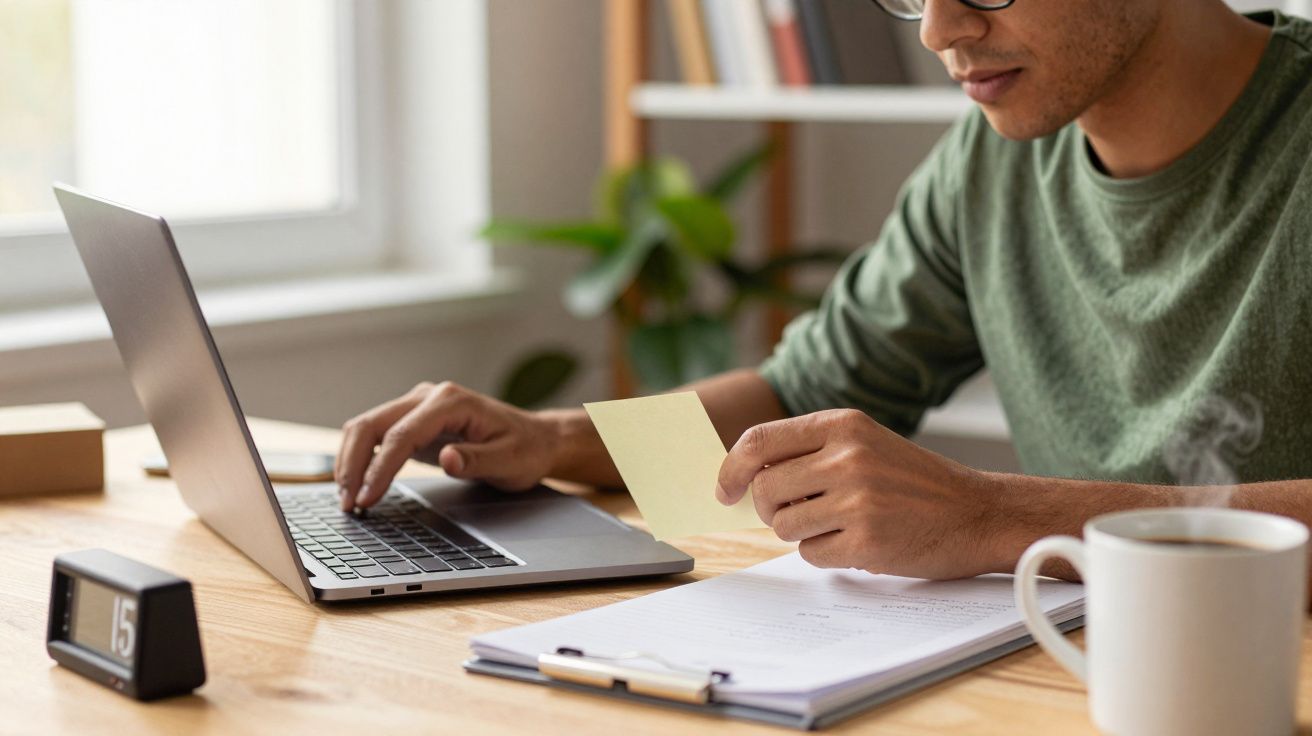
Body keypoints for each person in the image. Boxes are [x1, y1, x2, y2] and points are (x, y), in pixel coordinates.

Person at [336, 0, 1312, 584]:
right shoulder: (986, 167)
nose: (939, 31)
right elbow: (794, 394)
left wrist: (991, 516)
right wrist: (553, 440)